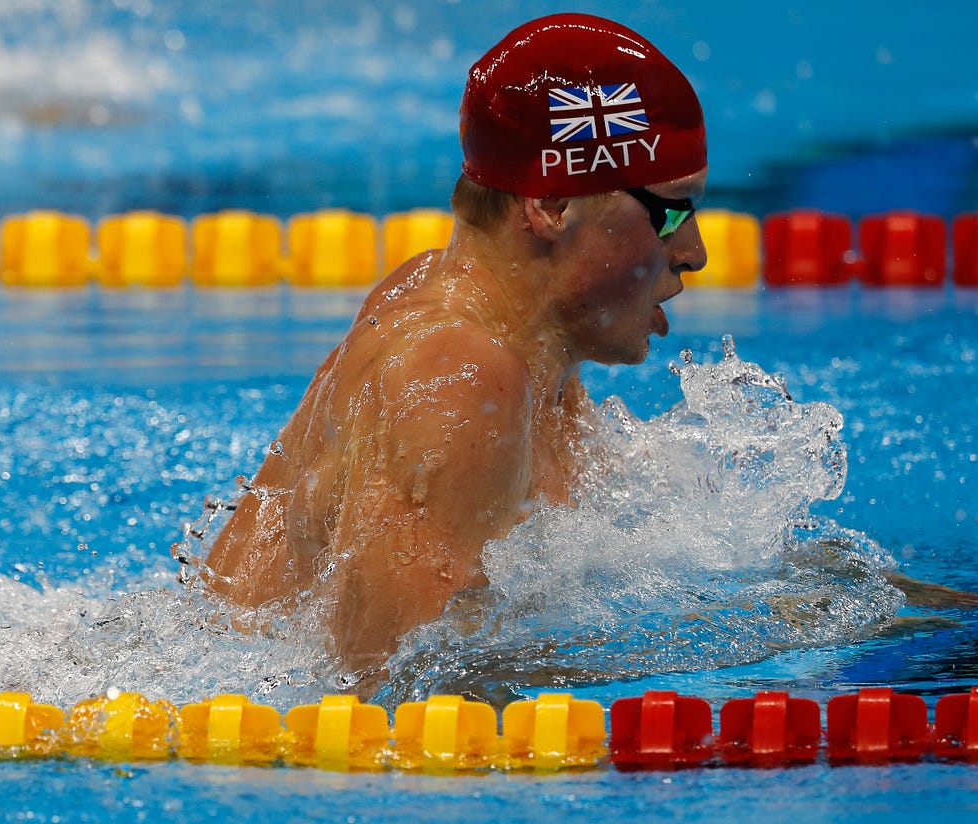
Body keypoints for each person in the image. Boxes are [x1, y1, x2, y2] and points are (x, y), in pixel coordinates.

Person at [201, 14, 711, 682]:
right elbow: (387, 696)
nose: (694, 253)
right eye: (671, 213)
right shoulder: (462, 376)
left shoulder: (519, 343)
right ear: (553, 204)